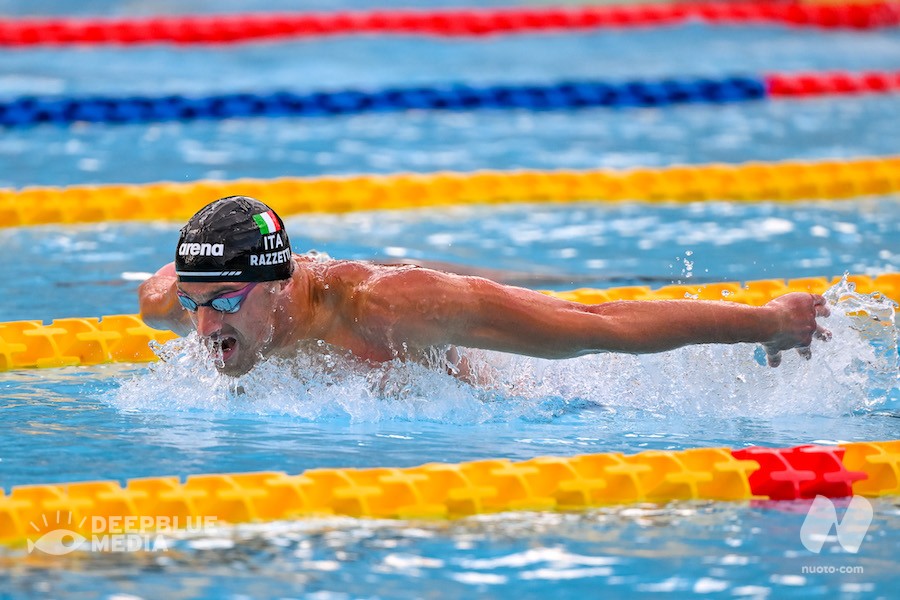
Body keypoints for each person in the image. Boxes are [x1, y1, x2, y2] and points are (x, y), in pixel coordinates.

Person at [139, 196, 831, 378]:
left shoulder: (389, 306)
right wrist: (199, 291)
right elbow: (161, 288)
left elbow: (600, 324)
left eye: (225, 301)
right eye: (197, 303)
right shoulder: (175, 303)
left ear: (279, 283)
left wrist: (767, 320)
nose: (203, 329)